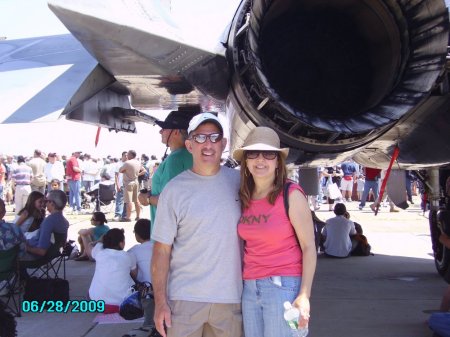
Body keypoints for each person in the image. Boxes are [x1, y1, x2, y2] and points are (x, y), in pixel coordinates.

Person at [152, 112, 243, 337]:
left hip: (230, 300)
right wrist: (160, 302)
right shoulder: (173, 190)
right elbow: (161, 251)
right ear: (189, 144)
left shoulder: (240, 184)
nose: (208, 144)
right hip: (183, 302)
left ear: (224, 144)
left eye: (214, 137)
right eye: (200, 138)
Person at [232, 126, 317, 337]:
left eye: (268, 154)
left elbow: (309, 247)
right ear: (246, 160)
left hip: (283, 287)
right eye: (253, 153)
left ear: (278, 161)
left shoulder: (291, 194)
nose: (260, 160)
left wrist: (304, 294)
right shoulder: (244, 195)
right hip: (250, 288)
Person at [138, 110, 194, 228]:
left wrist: (147, 199)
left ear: (176, 132)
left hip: (168, 234)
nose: (160, 131)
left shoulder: (175, 159)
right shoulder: (189, 155)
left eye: (165, 128)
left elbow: (172, 201)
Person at [89, 228, 137, 312]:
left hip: (97, 303)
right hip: (122, 303)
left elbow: (90, 246)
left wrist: (99, 240)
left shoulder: (99, 252)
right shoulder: (129, 256)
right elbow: (134, 275)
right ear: (121, 243)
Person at [21, 189, 69, 260]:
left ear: (52, 203)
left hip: (36, 257)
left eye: (46, 201)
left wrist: (24, 247)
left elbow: (41, 251)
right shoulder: (65, 222)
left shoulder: (49, 222)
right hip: (53, 254)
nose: (45, 204)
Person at [119, 150, 146, 221]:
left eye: (128, 155)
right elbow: (144, 171)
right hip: (136, 182)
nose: (127, 156)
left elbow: (120, 170)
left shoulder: (127, 163)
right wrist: (137, 174)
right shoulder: (138, 162)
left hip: (128, 183)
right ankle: (138, 216)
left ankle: (128, 217)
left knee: (128, 201)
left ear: (131, 155)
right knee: (136, 200)